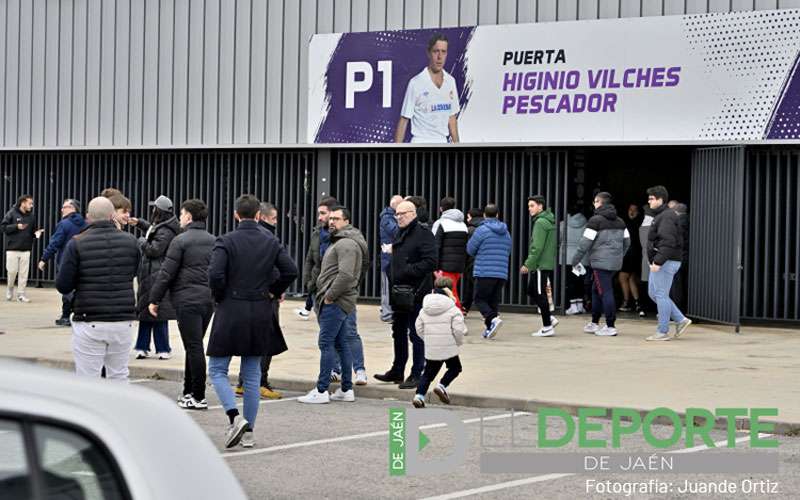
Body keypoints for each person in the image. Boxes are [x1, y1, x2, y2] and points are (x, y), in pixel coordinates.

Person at [207, 194, 298, 449]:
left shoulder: (226, 240)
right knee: (251, 373)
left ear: (236, 214)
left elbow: (215, 274)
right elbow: (291, 270)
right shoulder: (271, 241)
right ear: (258, 215)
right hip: (260, 308)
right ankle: (249, 433)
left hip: (230, 307)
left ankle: (234, 418)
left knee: (217, 369)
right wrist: (273, 290)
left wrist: (219, 295)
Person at [55, 197, 140, 380]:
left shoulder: (76, 243)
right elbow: (134, 272)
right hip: (123, 319)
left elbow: (63, 285)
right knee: (119, 375)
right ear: (112, 216)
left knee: (88, 379)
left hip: (89, 318)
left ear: (87, 217)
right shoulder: (131, 241)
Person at [148, 199, 215, 410]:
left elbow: (166, 273)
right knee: (192, 345)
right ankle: (188, 391)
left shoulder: (180, 241)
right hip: (207, 301)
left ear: (189, 217)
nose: (181, 217)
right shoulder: (215, 240)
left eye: (183, 213)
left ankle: (198, 395)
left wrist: (154, 299)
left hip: (187, 300)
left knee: (194, 346)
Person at [298, 206, 368, 404]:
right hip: (339, 300)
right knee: (340, 343)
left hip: (336, 301)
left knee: (326, 343)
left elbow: (346, 275)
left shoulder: (346, 243)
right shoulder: (341, 241)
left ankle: (321, 390)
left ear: (346, 221)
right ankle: (346, 389)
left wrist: (329, 296)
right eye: (331, 218)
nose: (331, 222)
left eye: (336, 219)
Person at [374, 201, 437, 389]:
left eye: (403, 214)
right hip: (399, 292)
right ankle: (397, 369)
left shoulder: (423, 234)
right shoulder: (400, 233)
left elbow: (431, 261)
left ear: (413, 214)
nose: (399, 217)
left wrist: (407, 270)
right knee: (398, 331)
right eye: (397, 214)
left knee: (416, 333)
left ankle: (417, 373)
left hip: (416, 292)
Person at [234, 202, 284, 400]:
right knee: (265, 342)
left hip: (246, 297)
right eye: (274, 219)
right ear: (262, 217)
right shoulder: (268, 238)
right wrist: (277, 289)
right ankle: (259, 382)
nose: (276, 222)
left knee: (250, 342)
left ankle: (243, 382)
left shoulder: (242, 237)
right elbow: (280, 268)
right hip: (266, 296)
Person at [571, 192, 630, 337]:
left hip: (600, 262)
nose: (594, 204)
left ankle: (610, 326)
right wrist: (618, 256)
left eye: (595, 202)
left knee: (605, 291)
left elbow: (584, 244)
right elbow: (627, 242)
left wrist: (575, 260)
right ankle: (594, 322)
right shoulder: (620, 221)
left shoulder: (595, 221)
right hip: (614, 263)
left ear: (599, 203)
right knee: (596, 290)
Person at [129, 196, 180, 360]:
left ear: (159, 211)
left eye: (154, 208)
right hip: (151, 274)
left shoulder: (166, 231)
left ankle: (162, 348)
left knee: (158, 312)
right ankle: (143, 347)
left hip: (156, 275)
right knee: (146, 311)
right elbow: (153, 231)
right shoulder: (163, 226)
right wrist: (139, 223)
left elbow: (154, 249)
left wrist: (141, 242)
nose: (152, 211)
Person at [394, 33, 460, 144]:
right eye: (436, 51)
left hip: (443, 143)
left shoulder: (451, 82)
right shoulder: (416, 83)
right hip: (420, 143)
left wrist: (458, 147)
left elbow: (452, 118)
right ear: (429, 53)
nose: (439, 57)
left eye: (443, 52)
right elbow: (404, 120)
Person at [645, 186, 691, 342]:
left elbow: (668, 241)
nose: (649, 201)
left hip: (665, 262)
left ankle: (662, 331)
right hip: (662, 261)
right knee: (654, 293)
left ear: (660, 200)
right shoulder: (662, 216)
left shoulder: (666, 217)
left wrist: (658, 261)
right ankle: (680, 319)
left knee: (660, 294)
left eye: (651, 198)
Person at [412, 276, 465, 408]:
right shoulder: (453, 309)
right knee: (455, 368)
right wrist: (457, 342)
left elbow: (418, 328)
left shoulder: (425, 308)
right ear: (451, 289)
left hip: (432, 346)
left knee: (428, 373)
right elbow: (458, 330)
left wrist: (428, 338)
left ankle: (419, 396)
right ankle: (442, 385)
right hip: (448, 345)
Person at [466, 204, 512, 339]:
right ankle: (490, 328)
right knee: (493, 301)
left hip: (484, 271)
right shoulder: (506, 231)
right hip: (501, 272)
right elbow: (508, 249)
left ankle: (493, 319)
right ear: (497, 215)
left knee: (479, 299)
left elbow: (470, 249)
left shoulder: (481, 230)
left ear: (484, 215)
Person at [38, 199, 87, 326]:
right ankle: (79, 314)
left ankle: (65, 316)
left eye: (64, 207)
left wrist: (44, 258)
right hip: (84, 260)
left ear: (72, 208)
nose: (61, 210)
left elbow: (55, 243)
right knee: (81, 288)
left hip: (66, 261)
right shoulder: (85, 224)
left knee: (67, 289)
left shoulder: (64, 224)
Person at [522, 196, 559, 337]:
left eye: (532, 205)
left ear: (540, 206)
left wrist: (528, 264)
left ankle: (547, 326)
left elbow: (537, 247)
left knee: (539, 293)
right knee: (532, 290)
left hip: (539, 264)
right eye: (529, 206)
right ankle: (549, 318)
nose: (529, 208)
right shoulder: (547, 221)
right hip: (544, 263)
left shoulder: (540, 223)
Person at [297, 197, 338, 320]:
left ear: (333, 214)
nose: (319, 217)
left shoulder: (344, 236)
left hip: (336, 291)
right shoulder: (317, 234)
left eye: (323, 213)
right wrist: (308, 283)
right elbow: (309, 260)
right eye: (319, 213)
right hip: (317, 288)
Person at [2, 195, 43, 302]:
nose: (31, 206)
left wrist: (36, 234)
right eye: (30, 203)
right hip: (12, 249)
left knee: (24, 273)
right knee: (12, 272)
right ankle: (10, 289)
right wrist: (16, 226)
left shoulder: (31, 216)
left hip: (26, 249)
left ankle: (21, 294)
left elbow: (33, 231)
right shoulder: (11, 213)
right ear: (23, 203)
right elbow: (3, 227)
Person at [431, 197, 468, 311]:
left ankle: (458, 312)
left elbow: (435, 245)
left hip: (445, 265)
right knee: (453, 289)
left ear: (441, 208)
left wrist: (435, 266)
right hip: (459, 265)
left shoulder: (441, 223)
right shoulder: (463, 224)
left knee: (449, 291)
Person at [379, 195, 403, 323]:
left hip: (392, 258)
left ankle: (387, 311)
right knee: (387, 288)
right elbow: (396, 232)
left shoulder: (390, 217)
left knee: (391, 287)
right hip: (388, 258)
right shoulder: (387, 218)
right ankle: (387, 314)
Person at [560, 207, 588, 315]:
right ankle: (580, 306)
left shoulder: (563, 224)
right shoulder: (586, 225)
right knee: (580, 281)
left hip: (567, 258)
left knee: (570, 282)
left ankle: (572, 306)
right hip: (581, 258)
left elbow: (559, 238)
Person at [619, 203, 643, 314]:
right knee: (631, 278)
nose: (632, 212)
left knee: (622, 277)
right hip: (637, 254)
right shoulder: (640, 223)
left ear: (638, 212)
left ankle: (626, 302)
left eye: (634, 210)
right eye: (630, 209)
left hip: (630, 254)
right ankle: (638, 304)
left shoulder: (630, 224)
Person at [461, 208, 484, 315]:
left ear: (470, 217)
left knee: (470, 286)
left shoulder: (469, 230)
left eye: (468, 217)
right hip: (485, 261)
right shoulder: (485, 228)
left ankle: (465, 307)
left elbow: (467, 248)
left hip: (471, 262)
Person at [669, 202, 690, 312]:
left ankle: (677, 311)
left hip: (678, 258)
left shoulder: (678, 224)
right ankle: (686, 309)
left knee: (676, 285)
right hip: (688, 258)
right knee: (685, 284)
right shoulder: (690, 221)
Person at [638, 204, 656, 318]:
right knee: (656, 284)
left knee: (645, 282)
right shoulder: (654, 226)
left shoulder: (642, 225)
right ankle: (655, 308)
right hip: (654, 256)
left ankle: (643, 308)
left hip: (645, 256)